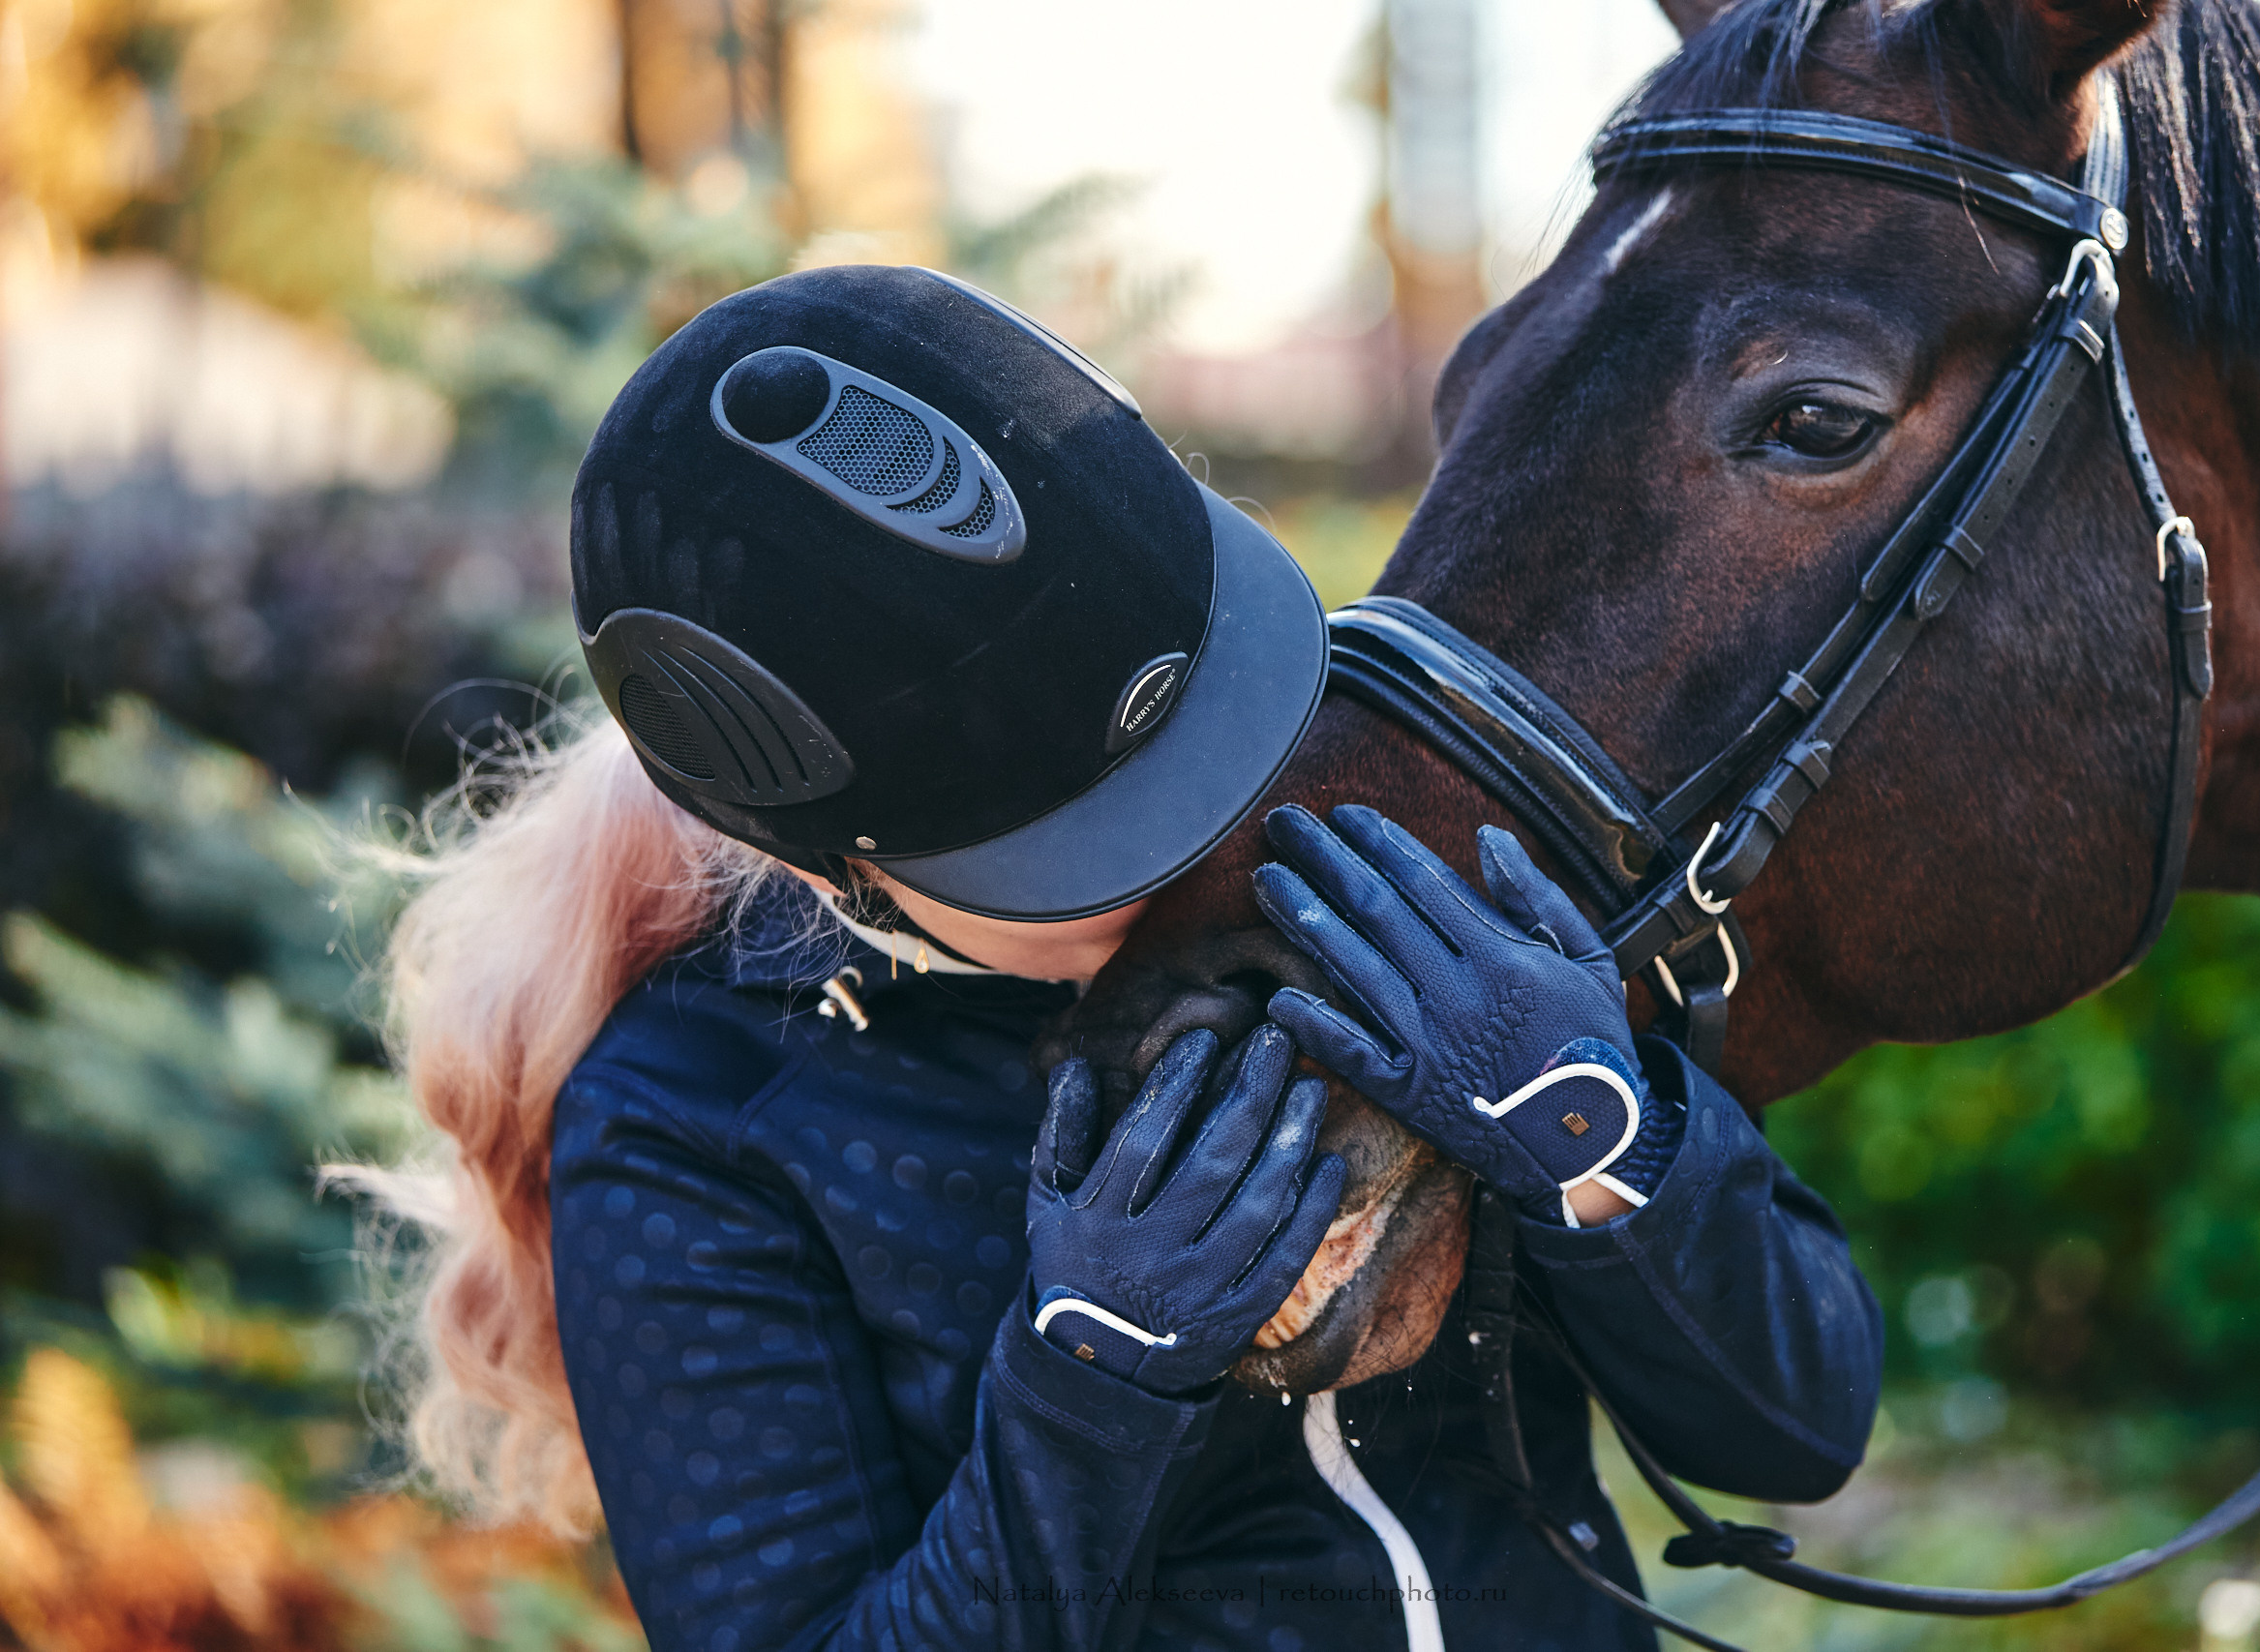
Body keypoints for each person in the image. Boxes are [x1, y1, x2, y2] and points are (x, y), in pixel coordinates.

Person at [371, 261, 1883, 1652]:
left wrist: (1608, 1138)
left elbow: (1797, 1428)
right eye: (1092, 841)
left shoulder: (1356, 868)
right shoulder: (690, 1114)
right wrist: (1092, 1384)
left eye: (1213, 748)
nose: (1204, 845)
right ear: (845, 868)